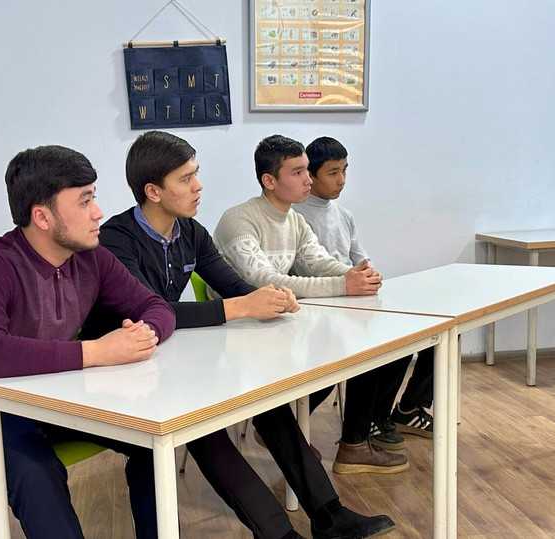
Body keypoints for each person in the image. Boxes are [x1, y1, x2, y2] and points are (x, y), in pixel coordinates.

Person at [82, 130, 395, 539]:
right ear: (153, 191)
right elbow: (149, 312)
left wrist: (270, 299)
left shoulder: (190, 231)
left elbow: (234, 287)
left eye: (197, 174)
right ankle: (277, 533)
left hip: (170, 357)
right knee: (206, 425)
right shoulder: (116, 240)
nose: (198, 186)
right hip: (118, 369)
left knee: (267, 401)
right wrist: (240, 306)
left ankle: (329, 514)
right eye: (186, 179)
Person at [0, 145, 176, 539]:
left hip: (55, 394)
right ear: (42, 217)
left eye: (94, 197)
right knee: (35, 470)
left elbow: (155, 306)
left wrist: (143, 335)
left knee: (150, 441)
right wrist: (98, 351)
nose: (98, 212)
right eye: (85, 201)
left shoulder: (91, 256)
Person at [213, 134, 408, 475]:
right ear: (269, 181)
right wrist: (343, 285)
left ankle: (349, 443)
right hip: (239, 332)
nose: (307, 180)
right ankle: (280, 425)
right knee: (343, 351)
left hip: (279, 321)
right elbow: (265, 280)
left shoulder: (295, 220)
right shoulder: (239, 220)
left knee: (367, 348)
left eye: (307, 171)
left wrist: (354, 274)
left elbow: (317, 261)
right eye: (298, 172)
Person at [295, 136, 433, 442]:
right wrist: (352, 280)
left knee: (417, 337)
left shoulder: (344, 215)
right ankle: (366, 421)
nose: (341, 180)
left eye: (345, 170)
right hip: (322, 308)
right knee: (375, 347)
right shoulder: (297, 217)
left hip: (353, 301)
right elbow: (305, 271)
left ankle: (395, 412)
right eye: (332, 172)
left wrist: (370, 275)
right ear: (311, 175)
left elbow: (362, 260)